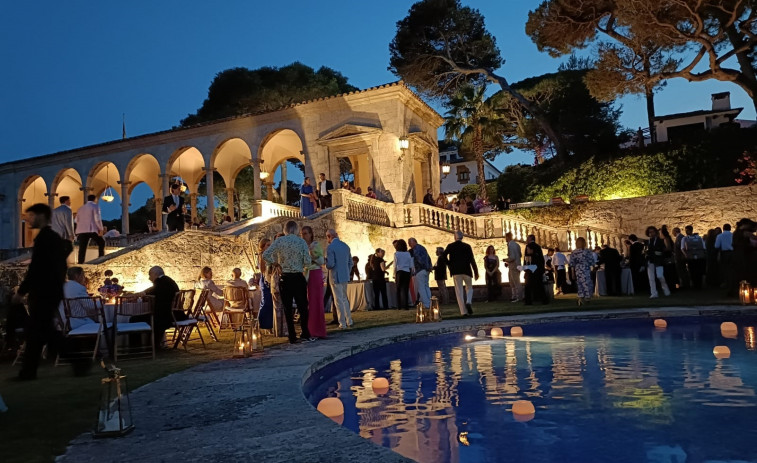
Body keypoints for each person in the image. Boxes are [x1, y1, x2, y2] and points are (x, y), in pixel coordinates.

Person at [14, 203, 71, 380]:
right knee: (39, 331)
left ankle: (79, 360)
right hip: (49, 291)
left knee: (41, 331)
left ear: (41, 216)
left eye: (31, 215)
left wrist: (21, 292)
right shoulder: (50, 238)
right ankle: (28, 372)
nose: (28, 219)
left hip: (45, 292)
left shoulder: (46, 238)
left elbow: (35, 269)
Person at [262, 221, 312, 343]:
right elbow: (308, 261)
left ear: (285, 230)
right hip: (298, 277)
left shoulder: (279, 241)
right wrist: (300, 263)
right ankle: (305, 331)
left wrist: (275, 263)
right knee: (303, 306)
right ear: (296, 229)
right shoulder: (301, 242)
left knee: (287, 307)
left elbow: (265, 254)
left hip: (285, 277)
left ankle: (292, 335)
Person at [135, 266, 183, 347]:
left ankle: (137, 348)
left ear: (155, 274)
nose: (149, 278)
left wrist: (138, 294)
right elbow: (153, 290)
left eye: (150, 275)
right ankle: (150, 345)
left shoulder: (160, 282)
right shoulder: (168, 280)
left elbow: (151, 291)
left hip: (165, 316)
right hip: (175, 314)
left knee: (134, 319)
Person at [443, 231, 479, 315]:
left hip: (456, 271)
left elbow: (443, 256)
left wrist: (450, 264)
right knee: (469, 288)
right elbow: (472, 260)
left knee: (459, 291)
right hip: (466, 270)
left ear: (455, 237)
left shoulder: (451, 246)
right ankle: (469, 301)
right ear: (462, 237)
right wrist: (476, 271)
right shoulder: (467, 246)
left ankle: (463, 311)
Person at [301, 226, 327, 339]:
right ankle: (310, 329)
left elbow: (321, 261)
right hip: (306, 274)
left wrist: (311, 255)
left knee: (316, 302)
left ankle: (317, 330)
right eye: (302, 234)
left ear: (311, 234)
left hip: (315, 273)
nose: (303, 236)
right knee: (309, 302)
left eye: (306, 233)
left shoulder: (315, 245)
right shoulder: (302, 246)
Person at [325, 229, 353, 329]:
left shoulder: (330, 247)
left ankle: (342, 323)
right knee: (345, 299)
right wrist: (347, 272)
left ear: (329, 236)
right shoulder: (346, 246)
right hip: (345, 276)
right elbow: (351, 263)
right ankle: (349, 320)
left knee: (338, 300)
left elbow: (331, 264)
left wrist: (326, 263)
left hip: (335, 276)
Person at [75, 194, 105, 264]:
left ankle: (80, 262)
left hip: (82, 230)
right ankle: (101, 258)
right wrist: (101, 228)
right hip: (91, 229)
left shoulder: (80, 208)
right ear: (95, 199)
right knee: (101, 242)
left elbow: (76, 220)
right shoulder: (95, 206)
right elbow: (97, 218)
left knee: (82, 247)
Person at [645, 226, 671, 298]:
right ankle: (654, 293)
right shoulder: (648, 242)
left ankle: (666, 290)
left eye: (652, 232)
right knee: (651, 278)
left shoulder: (660, 240)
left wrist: (659, 253)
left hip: (658, 261)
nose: (651, 233)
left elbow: (665, 249)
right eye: (650, 232)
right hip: (650, 260)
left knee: (660, 276)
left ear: (655, 232)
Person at [409, 238, 433, 311]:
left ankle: (426, 304)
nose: (409, 245)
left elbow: (419, 259)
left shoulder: (416, 249)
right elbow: (428, 258)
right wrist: (429, 267)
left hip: (420, 270)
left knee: (421, 287)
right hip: (426, 270)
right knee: (426, 286)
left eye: (410, 243)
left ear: (414, 242)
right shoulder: (422, 248)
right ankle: (430, 302)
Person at [523, 235, 548, 305]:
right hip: (538, 269)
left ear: (530, 239)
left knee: (528, 286)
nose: (526, 239)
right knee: (539, 285)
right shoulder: (538, 247)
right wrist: (541, 269)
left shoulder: (528, 246)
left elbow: (527, 258)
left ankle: (528, 301)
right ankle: (544, 300)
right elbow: (541, 259)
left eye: (527, 238)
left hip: (530, 269)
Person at [256, 239, 274, 331]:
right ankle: (264, 323)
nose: (269, 246)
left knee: (269, 301)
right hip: (265, 279)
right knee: (266, 301)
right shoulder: (262, 255)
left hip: (269, 278)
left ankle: (269, 324)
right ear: (263, 246)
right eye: (268, 245)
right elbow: (263, 270)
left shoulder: (269, 255)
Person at [570, 237, 594, 305]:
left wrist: (572, 273)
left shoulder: (574, 252)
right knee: (586, 282)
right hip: (586, 268)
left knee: (580, 283)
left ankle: (581, 297)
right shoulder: (588, 251)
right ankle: (587, 297)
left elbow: (572, 263)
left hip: (578, 269)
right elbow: (591, 261)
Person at [681, 225, 706, 289]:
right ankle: (696, 285)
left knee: (697, 272)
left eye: (687, 230)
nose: (686, 232)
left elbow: (682, 248)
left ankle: (698, 285)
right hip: (693, 257)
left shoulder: (686, 239)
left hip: (695, 257)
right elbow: (683, 248)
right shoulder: (697, 238)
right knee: (693, 272)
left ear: (691, 230)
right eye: (686, 230)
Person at [393, 239, 413, 310]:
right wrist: (411, 272)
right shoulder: (408, 253)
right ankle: (406, 306)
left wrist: (394, 274)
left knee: (398, 289)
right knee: (405, 289)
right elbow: (411, 264)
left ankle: (399, 306)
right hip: (407, 272)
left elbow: (395, 265)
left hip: (400, 272)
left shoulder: (396, 254)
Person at [716, 223, 735, 295]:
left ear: (723, 228)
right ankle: (732, 284)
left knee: (725, 269)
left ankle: (726, 283)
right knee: (732, 269)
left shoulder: (720, 236)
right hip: (733, 253)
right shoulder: (733, 235)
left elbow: (716, 246)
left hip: (724, 253)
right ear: (730, 228)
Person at [504, 232, 523, 302]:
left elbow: (512, 257)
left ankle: (519, 297)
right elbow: (520, 255)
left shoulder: (510, 245)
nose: (505, 239)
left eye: (506, 237)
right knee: (512, 282)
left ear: (508, 237)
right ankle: (514, 296)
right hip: (517, 265)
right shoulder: (517, 245)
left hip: (514, 266)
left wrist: (505, 260)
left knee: (516, 282)